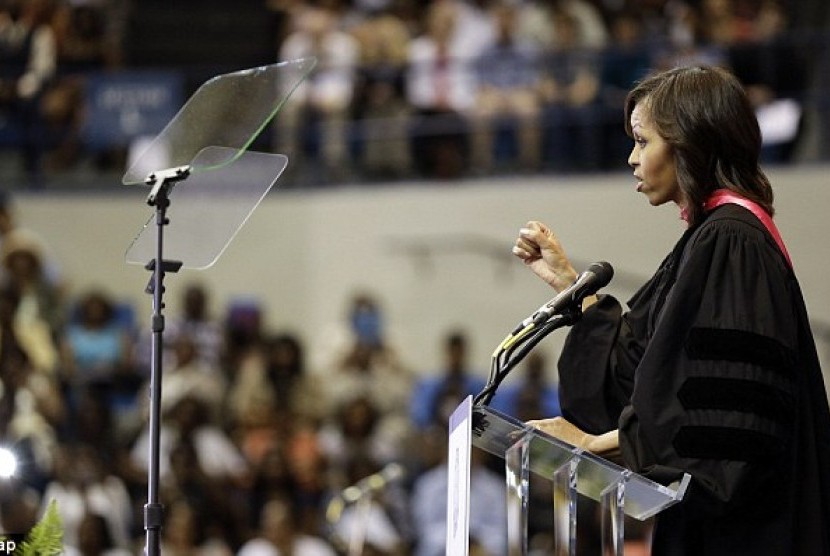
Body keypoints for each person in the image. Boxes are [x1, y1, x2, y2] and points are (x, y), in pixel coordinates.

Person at [511, 64, 830, 554]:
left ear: (688, 143)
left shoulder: (731, 242)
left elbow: (726, 430)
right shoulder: (708, 241)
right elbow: (645, 381)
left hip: (745, 535)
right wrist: (572, 288)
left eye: (643, 141)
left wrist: (594, 444)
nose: (632, 158)